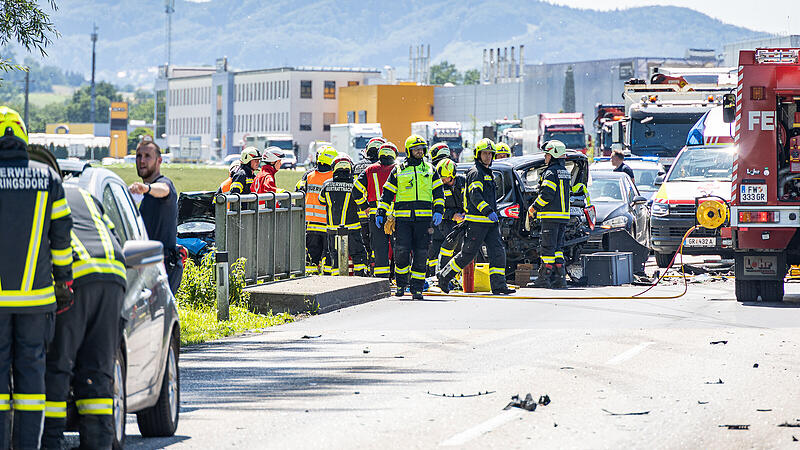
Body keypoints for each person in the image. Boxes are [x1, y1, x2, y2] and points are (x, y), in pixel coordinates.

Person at [0, 106, 73, 449]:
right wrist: (65, 282)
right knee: (31, 381)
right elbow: (62, 239)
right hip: (36, 303)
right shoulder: (47, 177)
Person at [42, 185, 126, 450]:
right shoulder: (84, 193)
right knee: (98, 370)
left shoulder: (41, 194)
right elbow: (113, 232)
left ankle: (51, 442)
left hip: (76, 276)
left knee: (58, 365)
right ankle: (99, 444)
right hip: (114, 274)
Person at [436, 139, 515, 295]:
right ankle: (443, 277)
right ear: (478, 155)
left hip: (490, 224)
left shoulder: (488, 172)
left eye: (490, 154)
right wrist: (488, 211)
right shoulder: (476, 172)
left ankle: (499, 286)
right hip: (476, 223)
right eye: (484, 153)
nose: (487, 156)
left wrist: (493, 214)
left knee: (498, 253)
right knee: (467, 255)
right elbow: (475, 196)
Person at [376, 135, 445, 300]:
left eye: (421, 149)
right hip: (403, 221)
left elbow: (439, 193)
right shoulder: (398, 169)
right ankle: (400, 285)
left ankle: (417, 289)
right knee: (401, 253)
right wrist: (381, 212)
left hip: (424, 221)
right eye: (416, 149)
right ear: (409, 151)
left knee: (421, 254)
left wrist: (439, 210)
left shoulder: (430, 169)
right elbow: (387, 194)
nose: (419, 152)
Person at [128, 139, 182, 293]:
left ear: (159, 160)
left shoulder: (163, 184)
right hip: (146, 266)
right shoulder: (144, 193)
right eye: (138, 156)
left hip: (163, 267)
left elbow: (163, 189)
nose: (142, 160)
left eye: (147, 156)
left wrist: (147, 188)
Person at [529, 140, 572, 289]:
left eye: (546, 154)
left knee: (547, 248)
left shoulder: (550, 173)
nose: (545, 158)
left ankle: (544, 279)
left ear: (553, 154)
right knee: (558, 249)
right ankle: (560, 279)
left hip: (550, 216)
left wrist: (534, 207)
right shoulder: (565, 173)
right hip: (563, 217)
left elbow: (547, 194)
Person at [353, 141, 398, 278]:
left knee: (380, 250)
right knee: (400, 248)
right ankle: (400, 280)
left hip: (376, 215)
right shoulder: (399, 169)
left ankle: (381, 280)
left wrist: (365, 206)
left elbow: (356, 190)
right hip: (397, 215)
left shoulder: (369, 170)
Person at [318, 155, 368, 276]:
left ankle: (336, 282)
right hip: (353, 228)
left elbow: (321, 200)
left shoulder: (326, 184)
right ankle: (360, 278)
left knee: (334, 255)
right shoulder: (354, 184)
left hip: (332, 229)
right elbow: (361, 201)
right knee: (358, 254)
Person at [296, 146, 338, 274]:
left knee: (311, 256)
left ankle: (310, 279)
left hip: (310, 224)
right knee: (328, 255)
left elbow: (298, 191)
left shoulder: (308, 176)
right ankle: (327, 280)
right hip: (327, 224)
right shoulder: (334, 177)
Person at [426, 158, 465, 277]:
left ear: (452, 175)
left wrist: (466, 214)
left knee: (462, 249)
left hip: (463, 219)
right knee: (449, 245)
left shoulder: (463, 182)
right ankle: (443, 274)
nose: (442, 181)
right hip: (446, 222)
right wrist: (452, 215)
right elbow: (435, 207)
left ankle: (458, 277)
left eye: (444, 178)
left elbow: (470, 200)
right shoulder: (439, 187)